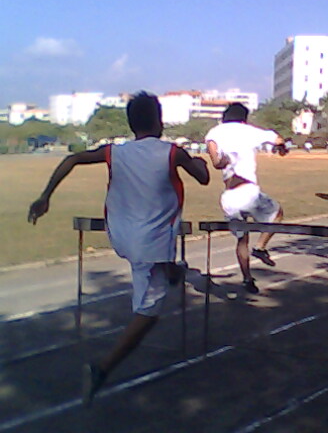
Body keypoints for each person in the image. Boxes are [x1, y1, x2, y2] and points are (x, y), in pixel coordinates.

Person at [27, 92, 210, 406]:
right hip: (149, 243)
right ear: (160, 121)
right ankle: (102, 368)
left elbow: (72, 159)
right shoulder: (172, 152)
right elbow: (203, 178)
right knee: (148, 312)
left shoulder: (115, 152)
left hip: (120, 235)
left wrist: (45, 197)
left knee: (160, 264)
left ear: (131, 123)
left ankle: (172, 271)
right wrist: (200, 162)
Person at [205, 103, 287, 295]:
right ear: (244, 118)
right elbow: (277, 139)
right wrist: (282, 146)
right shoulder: (250, 131)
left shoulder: (214, 132)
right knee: (278, 213)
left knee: (242, 240)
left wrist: (222, 161)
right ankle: (260, 247)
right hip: (248, 192)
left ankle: (247, 278)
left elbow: (215, 160)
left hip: (229, 198)